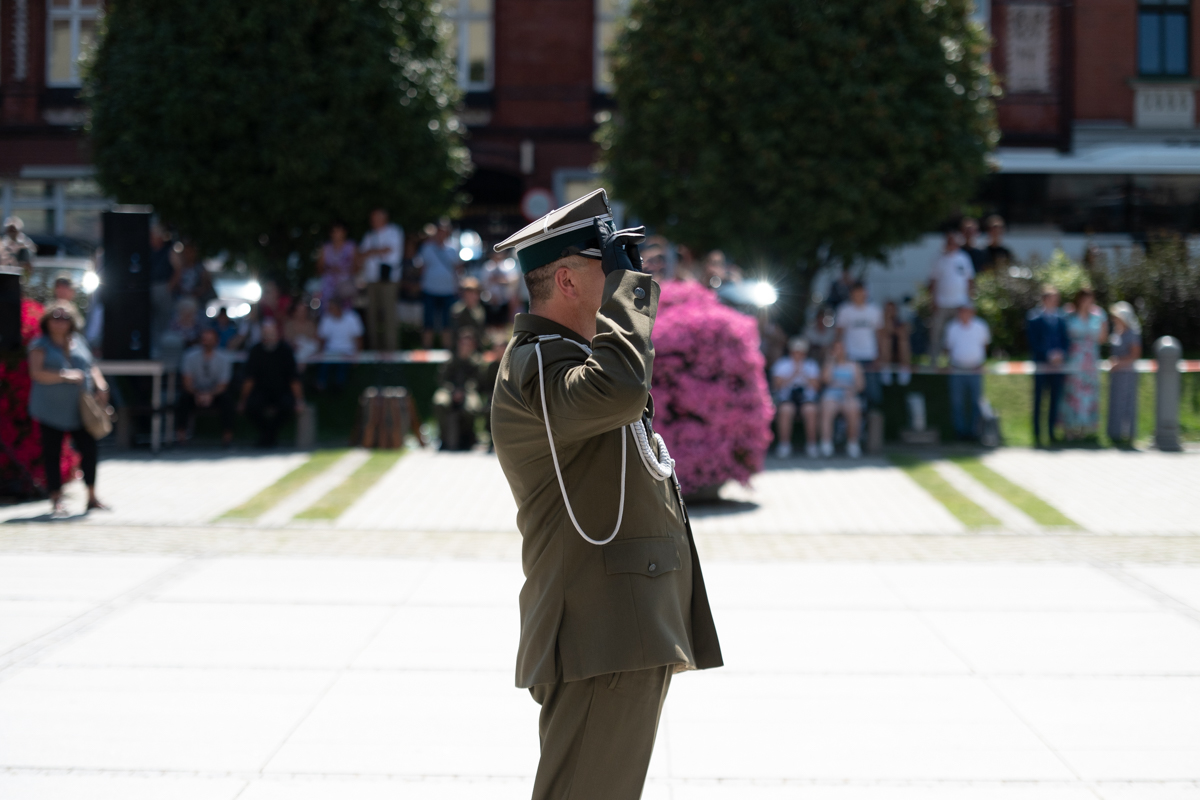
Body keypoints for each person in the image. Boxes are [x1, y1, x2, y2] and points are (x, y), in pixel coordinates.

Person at [488, 188, 721, 800]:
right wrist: (630, 297)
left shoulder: (574, 357)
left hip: (622, 629)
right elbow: (620, 389)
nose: (630, 274)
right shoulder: (537, 365)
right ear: (567, 280)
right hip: (599, 633)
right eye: (610, 262)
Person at [26, 301, 110, 516]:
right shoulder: (40, 344)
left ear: (72, 321)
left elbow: (91, 366)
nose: (60, 322)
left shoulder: (79, 341)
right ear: (47, 321)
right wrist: (65, 375)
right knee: (53, 454)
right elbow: (36, 373)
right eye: (56, 317)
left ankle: (91, 497)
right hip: (50, 409)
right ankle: (56, 500)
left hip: (80, 409)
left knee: (89, 450)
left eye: (65, 318)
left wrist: (100, 384)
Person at [238, 318, 305, 447]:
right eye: (266, 333)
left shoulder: (285, 350)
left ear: (277, 334)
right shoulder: (256, 350)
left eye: (271, 333)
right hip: (260, 391)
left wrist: (299, 399)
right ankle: (269, 434)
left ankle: (268, 435)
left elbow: (293, 379)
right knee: (251, 407)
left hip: (282, 391)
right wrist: (243, 399)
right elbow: (249, 379)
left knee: (287, 406)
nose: (269, 336)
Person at [176, 327, 235, 446]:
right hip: (195, 393)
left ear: (216, 341)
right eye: (204, 339)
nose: (206, 342)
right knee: (183, 399)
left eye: (210, 339)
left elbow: (223, 385)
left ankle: (227, 437)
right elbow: (187, 382)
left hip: (215, 394)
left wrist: (210, 395)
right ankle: (181, 437)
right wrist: (197, 394)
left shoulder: (224, 358)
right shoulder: (190, 356)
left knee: (227, 400)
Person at [1026, 285, 1069, 446]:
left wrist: (1061, 354)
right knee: (1039, 400)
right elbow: (1032, 341)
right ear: (1044, 299)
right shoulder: (1034, 317)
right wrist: (1048, 354)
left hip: (1057, 366)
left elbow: (1065, 339)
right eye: (1052, 298)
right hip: (1041, 364)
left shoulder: (1061, 318)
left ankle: (1051, 433)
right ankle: (1037, 434)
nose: (1055, 301)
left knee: (1054, 400)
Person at [1063, 288, 1107, 440]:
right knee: (1072, 394)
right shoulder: (1069, 315)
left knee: (1088, 394)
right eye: (1085, 298)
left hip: (1091, 360)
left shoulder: (1098, 316)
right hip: (1074, 360)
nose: (1088, 302)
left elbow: (1102, 339)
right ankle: (1069, 428)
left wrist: (1103, 321)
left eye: (1090, 298)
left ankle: (1084, 429)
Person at [944, 303, 991, 441]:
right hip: (957, 369)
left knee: (976, 401)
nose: (965, 314)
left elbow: (985, 345)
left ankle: (974, 432)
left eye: (967, 311)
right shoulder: (952, 327)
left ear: (972, 312)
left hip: (975, 369)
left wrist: (980, 362)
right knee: (957, 402)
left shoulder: (980, 326)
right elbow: (948, 347)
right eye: (962, 311)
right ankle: (959, 432)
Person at [432, 328, 486, 451]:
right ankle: (443, 438)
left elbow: (477, 381)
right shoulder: (451, 359)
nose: (465, 346)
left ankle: (467, 438)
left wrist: (464, 391)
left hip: (469, 392)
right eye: (463, 343)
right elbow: (442, 379)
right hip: (450, 391)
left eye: (468, 343)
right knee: (440, 402)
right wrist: (452, 390)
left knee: (472, 407)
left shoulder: (477, 361)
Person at [928, 227, 975, 364]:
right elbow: (933, 281)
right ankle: (934, 361)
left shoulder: (964, 258)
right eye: (948, 241)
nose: (951, 244)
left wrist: (968, 301)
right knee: (936, 333)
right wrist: (933, 301)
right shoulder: (939, 259)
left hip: (959, 304)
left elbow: (969, 280)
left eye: (953, 241)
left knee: (956, 333)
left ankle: (954, 360)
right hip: (942, 303)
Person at [360, 208, 404, 351]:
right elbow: (362, 254)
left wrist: (372, 251)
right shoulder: (369, 235)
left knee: (389, 315)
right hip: (371, 280)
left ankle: (391, 351)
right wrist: (378, 251)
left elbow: (391, 252)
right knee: (371, 316)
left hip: (389, 281)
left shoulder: (394, 232)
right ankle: (374, 350)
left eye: (376, 218)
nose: (373, 221)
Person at [835, 281, 883, 407]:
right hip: (850, 356)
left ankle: (872, 422)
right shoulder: (844, 310)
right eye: (856, 292)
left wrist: (880, 355)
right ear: (851, 294)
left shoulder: (874, 311)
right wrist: (838, 355)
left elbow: (879, 335)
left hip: (870, 355)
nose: (859, 295)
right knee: (849, 392)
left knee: (873, 394)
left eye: (861, 292)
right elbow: (839, 334)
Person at [771, 337, 821, 458]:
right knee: (786, 410)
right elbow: (776, 385)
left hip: (806, 399)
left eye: (801, 351)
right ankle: (784, 445)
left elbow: (816, 387)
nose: (798, 354)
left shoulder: (811, 365)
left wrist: (802, 374)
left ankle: (812, 445)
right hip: (787, 398)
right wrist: (793, 374)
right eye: (795, 351)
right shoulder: (781, 364)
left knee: (810, 410)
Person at [417, 221, 461, 349]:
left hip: (448, 291)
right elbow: (421, 267)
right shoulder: (427, 248)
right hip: (429, 289)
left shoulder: (453, 248)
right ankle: (426, 349)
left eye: (444, 232)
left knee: (447, 323)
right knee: (428, 322)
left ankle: (446, 350)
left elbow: (457, 269)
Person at [819, 340, 865, 458]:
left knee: (854, 409)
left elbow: (860, 386)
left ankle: (852, 443)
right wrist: (830, 360)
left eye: (841, 348)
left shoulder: (854, 366)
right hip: (831, 395)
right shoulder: (829, 364)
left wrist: (851, 390)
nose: (839, 351)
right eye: (836, 348)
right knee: (827, 409)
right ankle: (826, 444)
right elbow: (826, 381)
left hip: (849, 394)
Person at [1107, 301, 1142, 445]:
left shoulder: (1132, 333)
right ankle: (1114, 434)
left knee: (1127, 403)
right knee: (1115, 403)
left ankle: (1128, 434)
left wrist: (1119, 363)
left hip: (1127, 374)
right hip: (1116, 374)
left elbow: (1135, 354)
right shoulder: (1117, 331)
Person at [315, 297, 363, 392]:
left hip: (347, 351)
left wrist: (357, 354)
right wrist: (319, 353)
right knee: (325, 364)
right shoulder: (326, 319)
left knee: (343, 365)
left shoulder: (352, 318)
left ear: (339, 307)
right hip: (330, 351)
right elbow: (322, 338)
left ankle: (339, 385)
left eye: (331, 307)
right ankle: (320, 384)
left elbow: (358, 338)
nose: (329, 310)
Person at [316, 222, 358, 306]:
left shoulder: (351, 247)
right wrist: (329, 269)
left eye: (339, 231)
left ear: (344, 232)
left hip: (345, 285)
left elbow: (357, 267)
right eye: (334, 232)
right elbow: (319, 268)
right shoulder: (326, 248)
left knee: (345, 309)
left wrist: (344, 270)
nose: (336, 234)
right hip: (329, 286)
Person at [149, 223, 175, 347]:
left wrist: (169, 287)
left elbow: (178, 270)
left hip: (163, 286)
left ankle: (161, 347)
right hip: (149, 287)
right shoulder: (148, 250)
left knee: (164, 319)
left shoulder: (169, 250)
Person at [481, 248, 520, 328]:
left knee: (504, 324)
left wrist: (499, 280)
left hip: (504, 300)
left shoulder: (509, 266)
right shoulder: (487, 267)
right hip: (490, 301)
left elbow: (513, 281)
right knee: (490, 325)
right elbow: (483, 284)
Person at [880, 300, 912, 386]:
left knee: (903, 340)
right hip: (884, 355)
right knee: (886, 338)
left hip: (899, 353)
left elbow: (903, 331)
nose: (890, 312)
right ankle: (886, 370)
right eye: (888, 310)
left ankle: (904, 369)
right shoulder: (879, 323)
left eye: (892, 310)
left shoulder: (901, 322)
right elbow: (887, 331)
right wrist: (888, 321)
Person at [450, 276, 486, 349]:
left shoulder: (480, 311)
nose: (471, 296)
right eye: (468, 292)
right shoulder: (456, 310)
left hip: (476, 348)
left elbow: (480, 333)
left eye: (474, 292)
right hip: (459, 348)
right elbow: (454, 331)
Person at [283, 300, 320, 365]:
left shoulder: (310, 324)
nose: (302, 313)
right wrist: (293, 344)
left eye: (303, 311)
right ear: (295, 312)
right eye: (299, 311)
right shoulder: (289, 324)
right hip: (294, 348)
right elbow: (287, 339)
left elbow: (314, 340)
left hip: (307, 349)